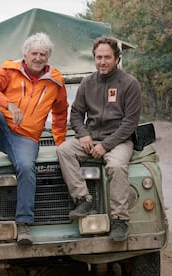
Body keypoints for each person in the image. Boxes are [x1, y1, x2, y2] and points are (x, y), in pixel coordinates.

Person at [0, 32, 69, 245]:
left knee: (27, 167)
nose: (38, 58)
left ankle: (23, 224)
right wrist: (8, 104)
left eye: (43, 54)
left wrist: (61, 143)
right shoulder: (10, 70)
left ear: (48, 57)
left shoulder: (55, 81)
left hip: (26, 138)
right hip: (0, 127)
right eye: (34, 53)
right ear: (25, 55)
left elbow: (60, 112)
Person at [57, 35, 141, 241]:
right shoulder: (87, 83)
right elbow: (76, 114)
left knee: (117, 166)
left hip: (119, 141)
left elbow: (130, 123)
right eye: (98, 57)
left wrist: (106, 145)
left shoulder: (129, 84)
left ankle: (120, 220)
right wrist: (84, 135)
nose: (102, 62)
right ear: (94, 59)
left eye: (107, 57)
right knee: (64, 150)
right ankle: (83, 199)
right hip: (91, 137)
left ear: (117, 58)